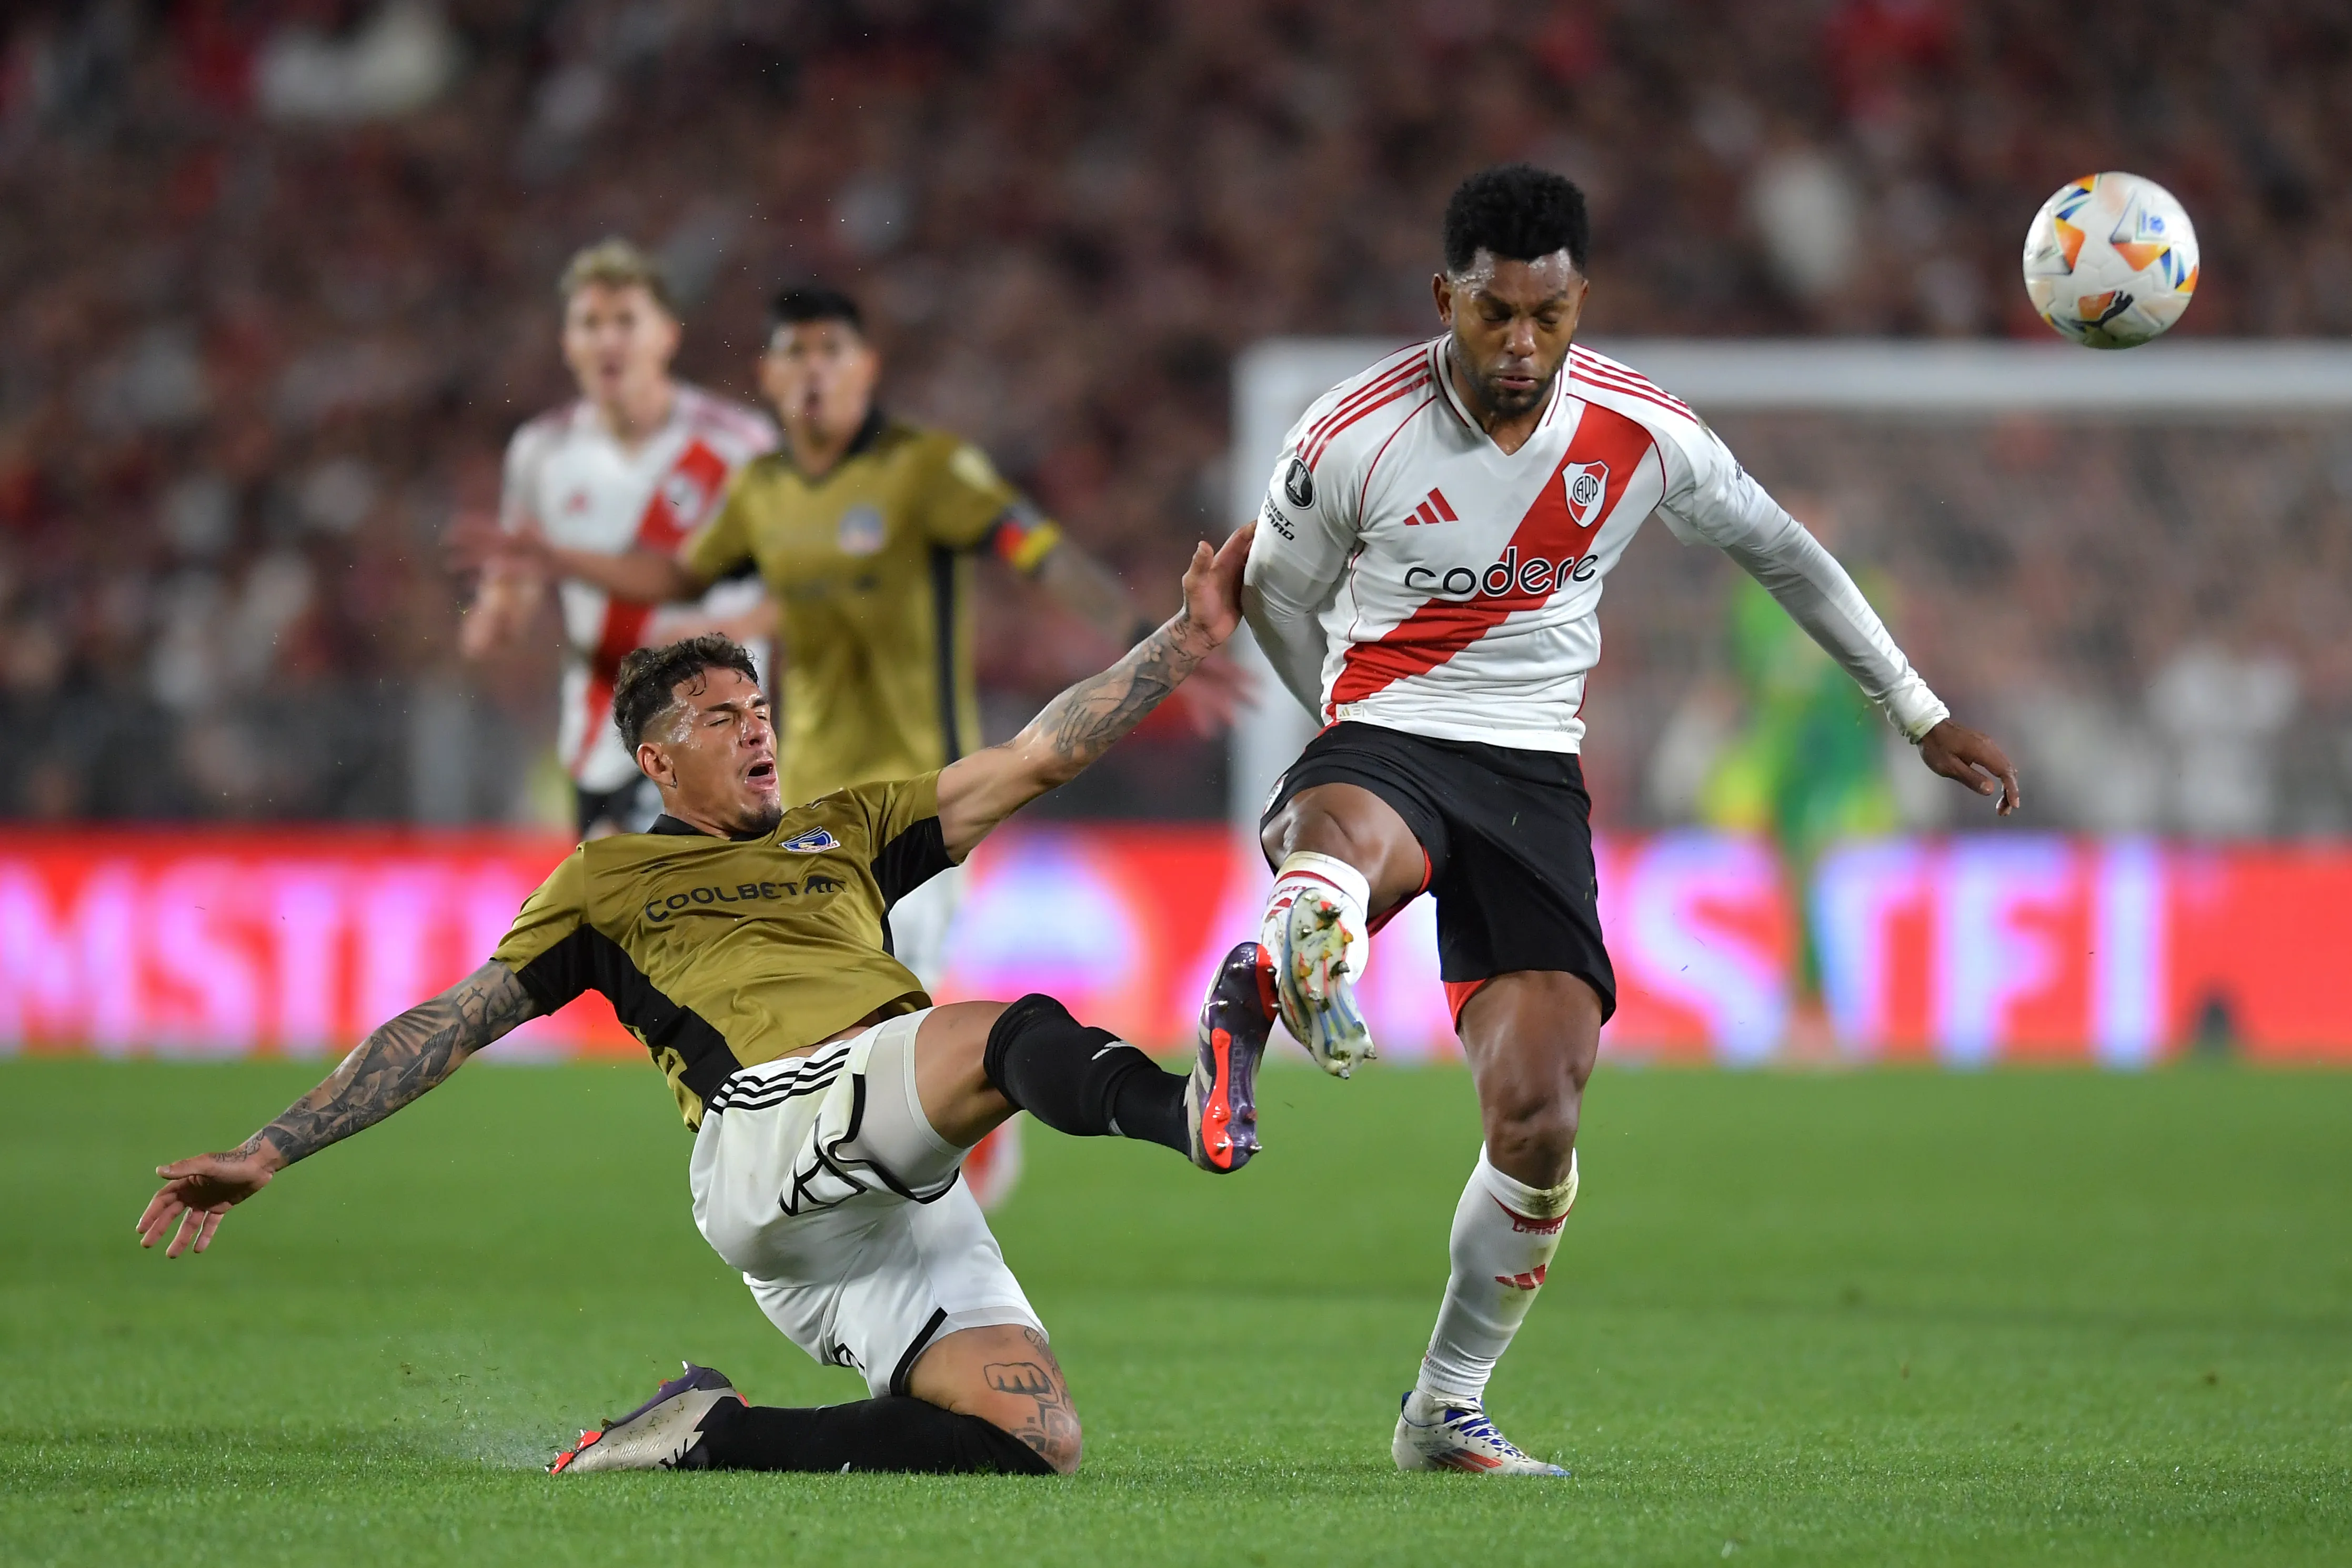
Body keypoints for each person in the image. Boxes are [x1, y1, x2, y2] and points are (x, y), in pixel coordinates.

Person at [135, 528, 1276, 1479]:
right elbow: (450, 1022)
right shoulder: (608, 878)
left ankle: (713, 1435)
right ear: (658, 761)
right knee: (1001, 1032)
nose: (756, 726)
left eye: (758, 706)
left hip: (879, 1186)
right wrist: (272, 1147)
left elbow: (1033, 757)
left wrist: (1183, 640)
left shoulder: (845, 829)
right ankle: (1186, 1112)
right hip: (767, 1133)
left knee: (1031, 1435)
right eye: (720, 716)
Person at [1231, 164, 2022, 1475]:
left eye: (1547, 315)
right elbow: (1273, 592)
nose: (1521, 342)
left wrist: (1916, 708)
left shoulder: (1640, 430)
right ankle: (1307, 922)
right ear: (1445, 297)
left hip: (1534, 775)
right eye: (1494, 312)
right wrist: (1334, 721)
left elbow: (1784, 552)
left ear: (1581, 300)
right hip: (1390, 726)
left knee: (1539, 1117)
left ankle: (1444, 1407)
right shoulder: (1349, 433)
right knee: (1346, 837)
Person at [467, 282, 1243, 990]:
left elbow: (1042, 556)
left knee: (896, 1019)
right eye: (794, 353)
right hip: (805, 809)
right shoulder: (761, 491)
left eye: (831, 351)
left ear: (866, 366)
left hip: (920, 800)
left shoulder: (926, 469)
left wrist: (1156, 637)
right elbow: (677, 579)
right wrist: (559, 559)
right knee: (831, 1032)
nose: (814, 370)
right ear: (768, 376)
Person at [460, 237, 779, 839]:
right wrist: (497, 615)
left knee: (680, 886)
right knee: (625, 896)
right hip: (602, 730)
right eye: (591, 323)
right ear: (568, 342)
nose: (609, 340)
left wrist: (727, 630)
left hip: (717, 730)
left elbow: (803, 585)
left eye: (626, 321)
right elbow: (518, 580)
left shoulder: (738, 446)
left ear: (667, 334)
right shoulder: (541, 452)